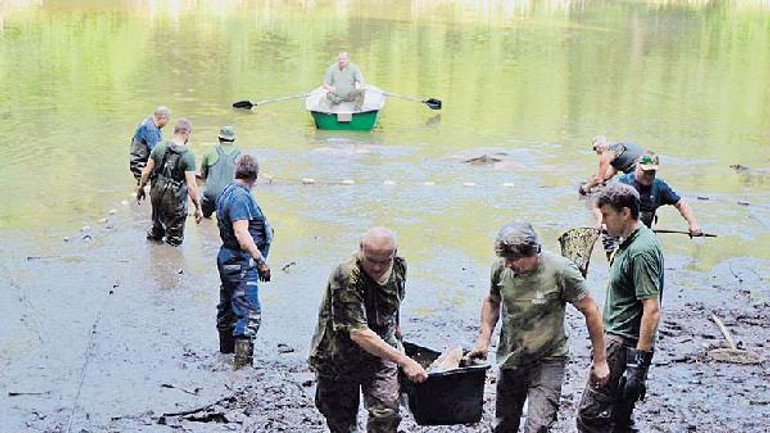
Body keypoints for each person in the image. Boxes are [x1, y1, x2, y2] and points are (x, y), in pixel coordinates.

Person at [468, 221, 610, 433]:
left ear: (532, 252)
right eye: (505, 259)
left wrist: (600, 360)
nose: (508, 264)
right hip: (512, 355)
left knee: (538, 427)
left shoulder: (561, 271)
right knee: (503, 426)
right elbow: (492, 300)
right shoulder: (500, 268)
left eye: (513, 259)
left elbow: (591, 310)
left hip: (549, 358)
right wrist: (484, 338)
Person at [308, 227, 428, 433]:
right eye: (371, 260)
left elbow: (394, 300)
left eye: (384, 261)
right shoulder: (347, 275)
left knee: (387, 412)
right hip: (338, 355)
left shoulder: (399, 266)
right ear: (361, 249)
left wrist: (397, 328)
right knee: (340, 420)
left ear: (394, 253)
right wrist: (405, 361)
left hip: (380, 352)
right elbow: (358, 333)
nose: (377, 267)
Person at [576, 182, 664, 433]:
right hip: (620, 339)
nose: (602, 222)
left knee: (590, 416)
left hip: (622, 342)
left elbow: (652, 308)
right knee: (619, 416)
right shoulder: (632, 238)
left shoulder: (641, 250)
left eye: (607, 216)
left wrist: (639, 363)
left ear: (625, 213)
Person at [215, 154, 273, 368]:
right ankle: (241, 370)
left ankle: (225, 357)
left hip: (229, 259)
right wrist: (261, 262)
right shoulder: (240, 197)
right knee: (249, 314)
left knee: (229, 307)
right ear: (255, 176)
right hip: (240, 262)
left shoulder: (228, 190)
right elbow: (241, 233)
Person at [592, 151, 703, 258]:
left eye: (652, 172)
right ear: (637, 167)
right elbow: (597, 204)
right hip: (615, 234)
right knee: (617, 263)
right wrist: (601, 221)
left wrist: (693, 223)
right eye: (645, 172)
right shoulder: (622, 184)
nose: (648, 176)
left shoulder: (659, 187)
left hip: (639, 234)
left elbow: (680, 204)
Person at [136, 118, 203, 246]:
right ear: (187, 133)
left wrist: (141, 189)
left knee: (157, 228)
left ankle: (152, 253)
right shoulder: (188, 155)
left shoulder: (159, 146)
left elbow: (146, 172)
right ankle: (169, 260)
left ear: (174, 130)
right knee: (174, 240)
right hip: (174, 200)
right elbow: (191, 185)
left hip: (156, 194)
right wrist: (198, 207)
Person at [197, 125, 242, 218]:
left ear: (219, 138)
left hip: (210, 195)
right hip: (229, 196)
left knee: (203, 216)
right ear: (233, 139)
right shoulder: (240, 155)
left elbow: (202, 174)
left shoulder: (209, 152)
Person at [580, 135, 645, 195]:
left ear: (599, 147)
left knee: (615, 189)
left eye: (595, 149)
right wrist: (594, 180)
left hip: (638, 171)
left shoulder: (606, 154)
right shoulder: (617, 148)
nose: (597, 152)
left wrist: (586, 187)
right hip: (649, 168)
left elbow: (599, 179)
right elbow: (611, 173)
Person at [130, 106, 170, 182]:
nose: (166, 123)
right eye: (167, 120)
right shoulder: (151, 130)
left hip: (137, 162)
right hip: (141, 164)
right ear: (162, 118)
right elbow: (157, 152)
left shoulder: (148, 122)